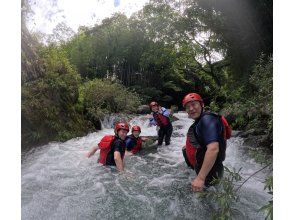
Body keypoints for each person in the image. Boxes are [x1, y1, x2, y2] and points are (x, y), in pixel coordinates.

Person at [182, 93, 227, 192]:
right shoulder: (201, 120)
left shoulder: (207, 120)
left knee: (208, 204)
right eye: (188, 107)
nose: (191, 109)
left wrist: (200, 178)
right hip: (207, 170)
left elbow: (213, 149)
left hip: (210, 173)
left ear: (202, 104)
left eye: (194, 104)